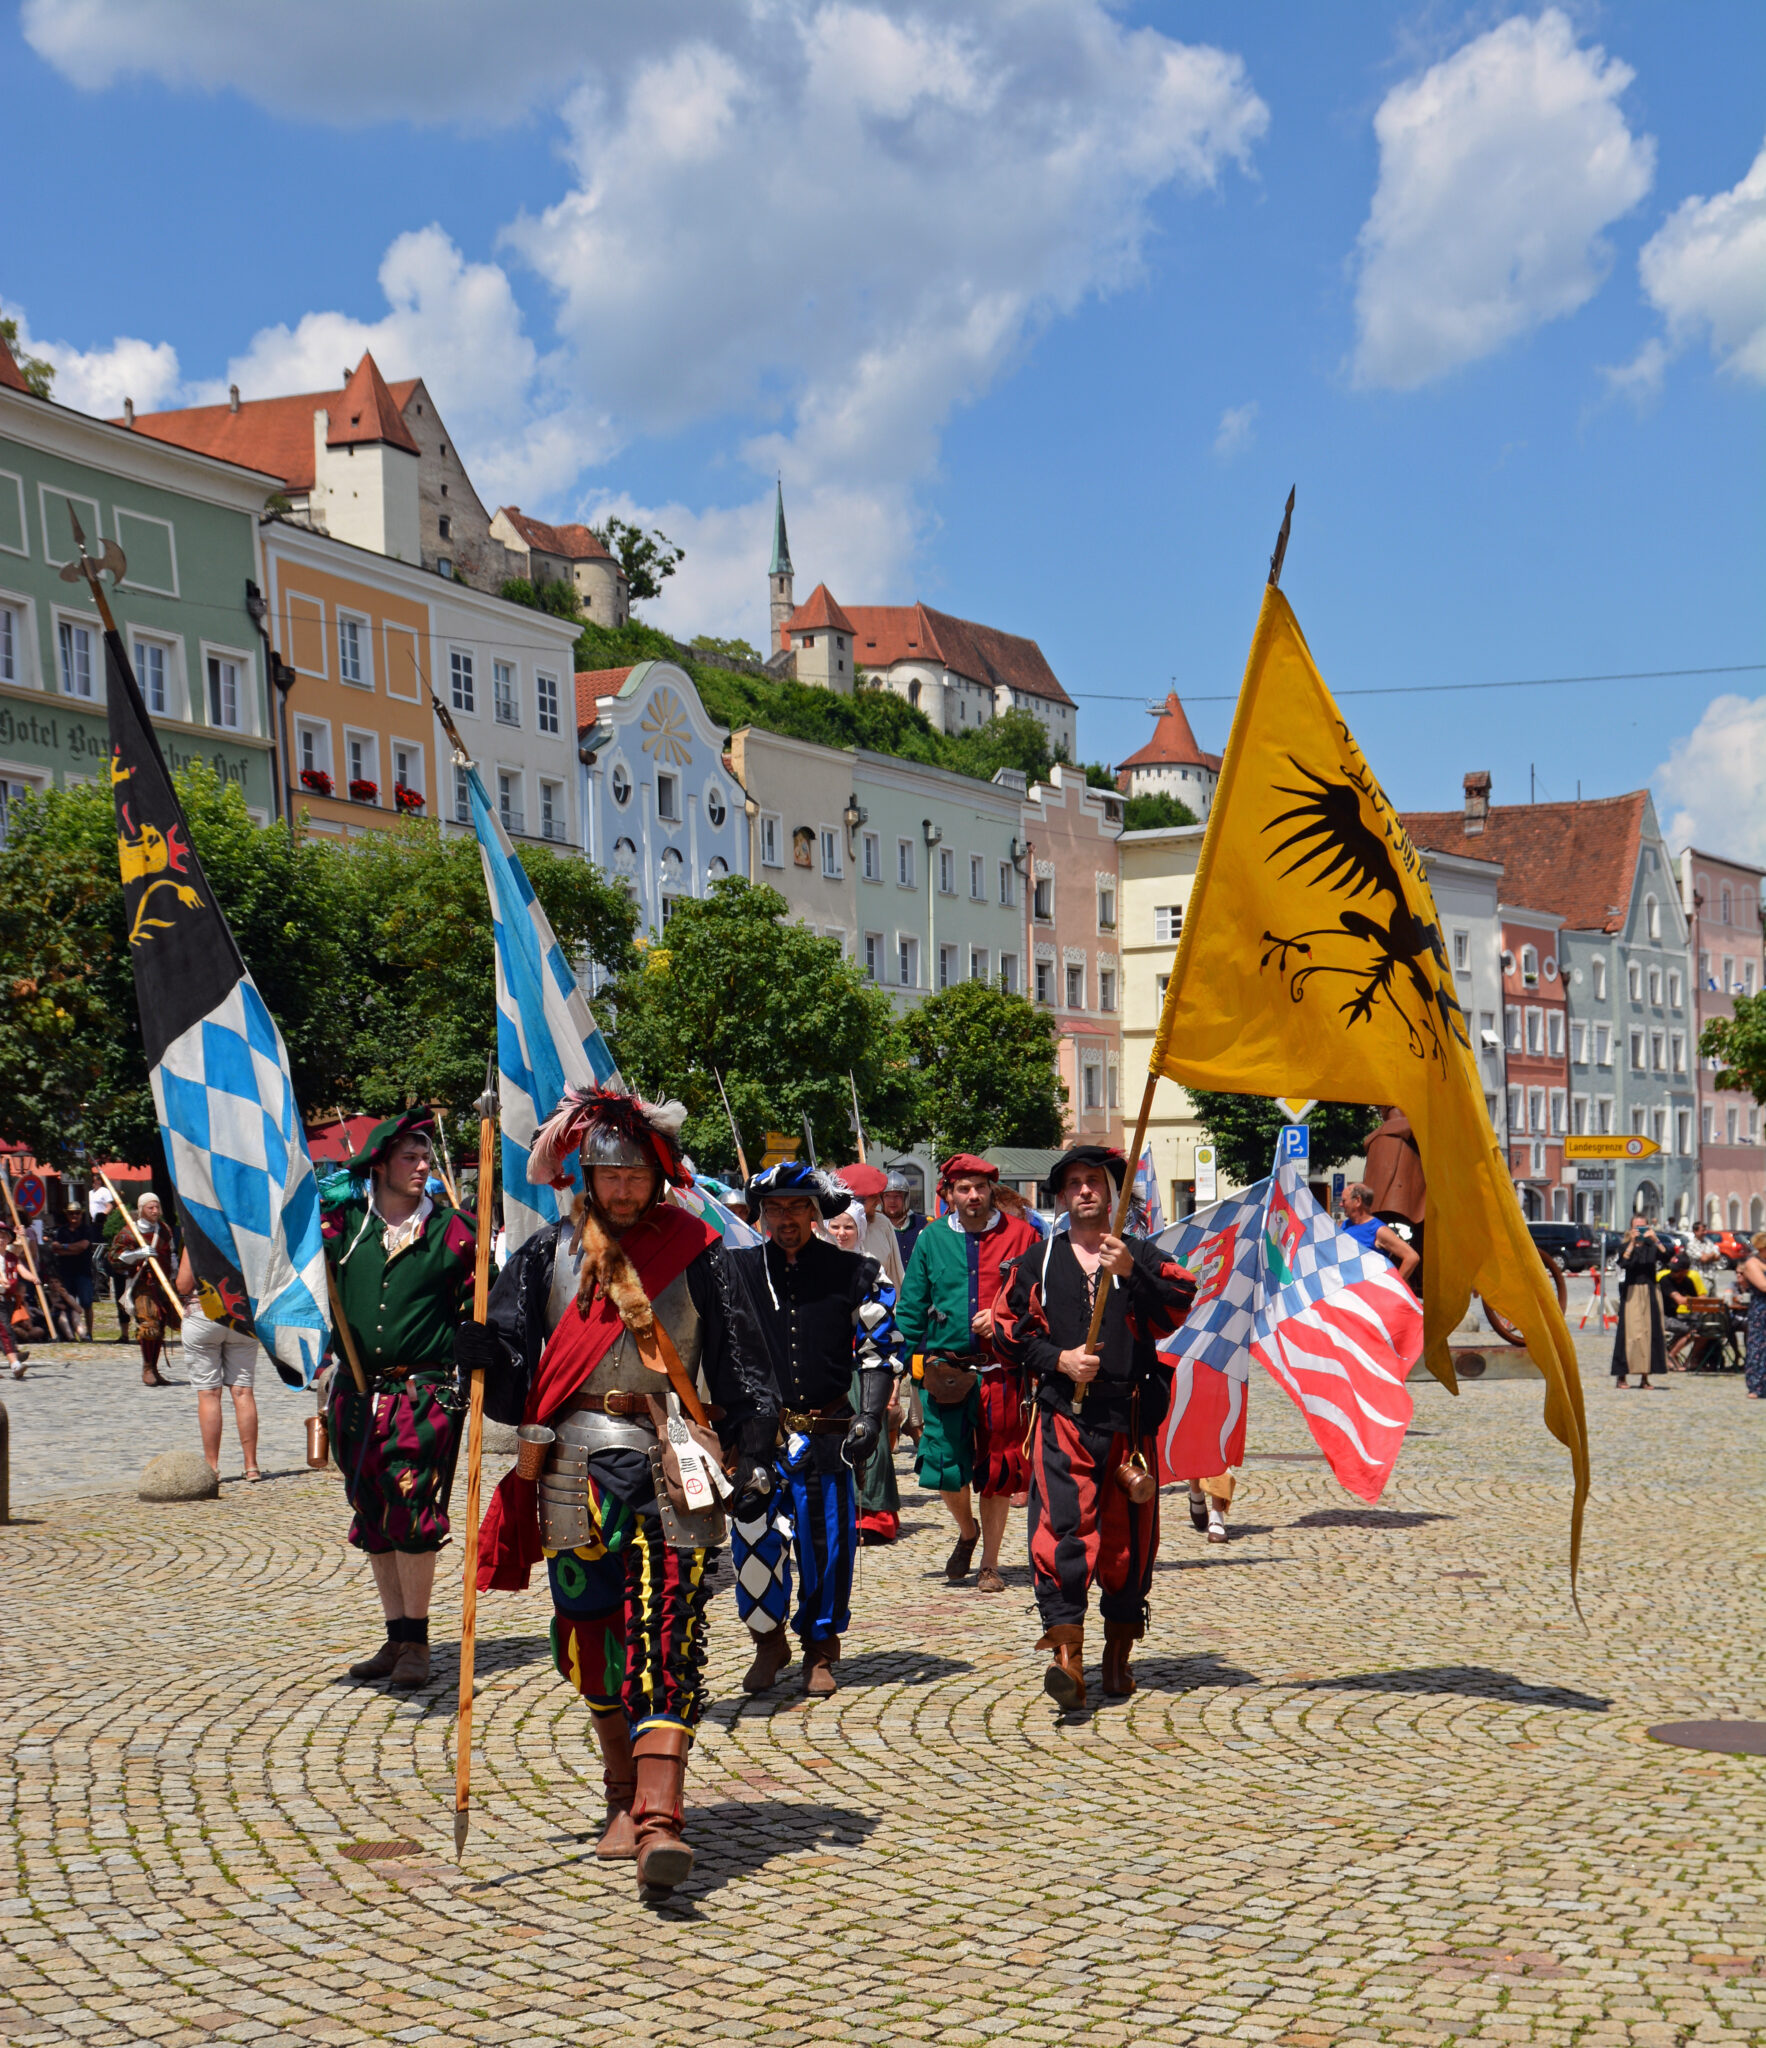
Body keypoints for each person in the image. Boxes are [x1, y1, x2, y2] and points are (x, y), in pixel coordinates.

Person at [468, 1086, 776, 1900]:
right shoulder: (544, 1255)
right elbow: (511, 1375)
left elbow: (742, 1363)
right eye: (612, 1176)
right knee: (588, 1634)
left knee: (668, 1633)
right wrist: (481, 1351)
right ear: (586, 1177)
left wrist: (753, 1453)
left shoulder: (698, 1249)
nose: (626, 1189)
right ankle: (618, 1790)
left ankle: (659, 1818)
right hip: (570, 1460)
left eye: (639, 1174)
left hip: (669, 1458)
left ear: (660, 1173)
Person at [994, 1147, 1197, 1708]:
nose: (1085, 1191)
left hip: (1130, 1422)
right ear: (1061, 1198)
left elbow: (1179, 1306)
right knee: (1062, 1533)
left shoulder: (1145, 1257)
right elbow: (1007, 1333)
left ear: (1112, 1194)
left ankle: (1116, 1661)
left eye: (1095, 1182)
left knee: (1130, 1545)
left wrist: (1132, 1274)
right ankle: (1068, 1659)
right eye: (1074, 1184)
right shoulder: (1036, 1261)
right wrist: (1059, 1360)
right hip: (1064, 1417)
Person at [323, 1107, 477, 1691]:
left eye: (424, 1157)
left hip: (423, 1393)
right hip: (355, 1393)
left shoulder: (453, 1230)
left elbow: (480, 1305)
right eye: (409, 1157)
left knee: (412, 1510)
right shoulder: (340, 1227)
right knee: (372, 1510)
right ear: (380, 1164)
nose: (421, 1167)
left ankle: (418, 1640)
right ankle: (394, 1636)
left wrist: (478, 1339)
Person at [728, 1166, 895, 1695]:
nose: (785, 1219)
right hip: (756, 1437)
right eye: (774, 1209)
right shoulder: (733, 1270)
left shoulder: (858, 1272)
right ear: (761, 1214)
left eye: (797, 1207)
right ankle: (768, 1641)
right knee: (753, 1543)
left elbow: (876, 1353)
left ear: (816, 1212)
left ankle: (820, 1649)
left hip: (826, 1435)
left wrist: (869, 1415)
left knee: (827, 1548)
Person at [897, 1153, 1040, 1591]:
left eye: (980, 1187)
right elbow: (911, 1307)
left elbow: (1040, 1303)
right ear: (950, 1193)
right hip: (946, 1372)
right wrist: (895, 1366)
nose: (973, 1196)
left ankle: (991, 1564)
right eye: (964, 1188)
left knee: (997, 1469)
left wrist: (1001, 1319)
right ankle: (967, 1531)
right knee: (944, 1468)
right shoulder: (932, 1238)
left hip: (1002, 1371)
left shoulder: (1023, 1235)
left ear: (991, 1190)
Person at [824, 1197, 907, 1544]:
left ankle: (873, 1516)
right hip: (827, 1368)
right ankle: (834, 1512)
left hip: (862, 1367)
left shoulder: (871, 1269)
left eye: (849, 1227)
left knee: (865, 1435)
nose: (842, 1233)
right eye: (836, 1226)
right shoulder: (815, 1266)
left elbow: (883, 1328)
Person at [174, 1245, 263, 1479]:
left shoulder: (197, 1229)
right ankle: (251, 1465)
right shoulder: (243, 1229)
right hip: (242, 1314)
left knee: (209, 1393)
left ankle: (212, 1467)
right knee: (243, 1391)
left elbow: (183, 1285)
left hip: (204, 1313)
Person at [115, 1193, 179, 1387]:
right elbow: (115, 1257)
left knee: (159, 1327)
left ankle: (154, 1367)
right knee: (149, 1325)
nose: (155, 1211)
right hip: (142, 1284)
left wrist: (175, 1278)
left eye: (157, 1207)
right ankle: (147, 1367)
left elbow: (172, 1253)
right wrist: (137, 1254)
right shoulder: (129, 1232)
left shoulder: (164, 1230)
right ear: (142, 1209)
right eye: (150, 1208)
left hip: (163, 1284)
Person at [1611, 1215, 1667, 1389]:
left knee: (1650, 1333)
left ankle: (1645, 1377)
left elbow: (1668, 1257)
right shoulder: (1625, 1246)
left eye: (1643, 1227)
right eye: (1637, 1227)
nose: (1640, 1230)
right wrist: (1632, 1244)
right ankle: (1622, 1376)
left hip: (1650, 1291)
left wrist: (1655, 1238)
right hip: (1632, 1291)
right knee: (1629, 1334)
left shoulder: (1652, 1246)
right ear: (1630, 1229)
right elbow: (1623, 1263)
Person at [835, 1163, 905, 1288]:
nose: (879, 1201)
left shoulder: (882, 1224)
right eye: (873, 1197)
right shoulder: (828, 1229)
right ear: (854, 1200)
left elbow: (896, 1276)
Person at [1340, 1182, 1420, 1290]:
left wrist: (1393, 1287)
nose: (1341, 1204)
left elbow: (1412, 1257)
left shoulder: (1379, 1230)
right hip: (1347, 1292)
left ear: (1358, 1201)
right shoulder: (1344, 1226)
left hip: (1368, 1296)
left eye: (1344, 1201)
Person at [51, 1204, 94, 1342]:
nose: (74, 1216)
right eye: (71, 1213)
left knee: (87, 1303)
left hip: (83, 1271)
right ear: (67, 1215)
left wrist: (64, 1247)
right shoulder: (61, 1231)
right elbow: (55, 1249)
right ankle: (70, 1333)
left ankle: (89, 1332)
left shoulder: (86, 1229)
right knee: (68, 1302)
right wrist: (72, 1249)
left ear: (81, 1214)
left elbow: (82, 1247)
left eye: (77, 1213)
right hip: (66, 1272)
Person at [1738, 1231, 1766, 1400]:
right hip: (1761, 1310)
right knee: (1759, 1346)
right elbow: (1763, 1286)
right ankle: (1756, 1385)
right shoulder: (1752, 1263)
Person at [882, 1169, 926, 1265]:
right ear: (881, 1198)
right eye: (887, 1196)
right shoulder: (875, 1226)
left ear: (905, 1198)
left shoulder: (923, 1224)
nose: (892, 1201)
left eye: (897, 1196)